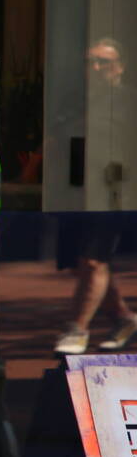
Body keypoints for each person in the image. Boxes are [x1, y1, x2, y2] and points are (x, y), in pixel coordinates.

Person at [53, 38, 137, 355]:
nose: (96, 68)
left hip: (115, 194)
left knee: (93, 260)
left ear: (120, 67)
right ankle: (124, 318)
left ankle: (77, 329)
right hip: (76, 192)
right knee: (83, 264)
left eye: (103, 61)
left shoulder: (128, 102)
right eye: (91, 62)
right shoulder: (77, 101)